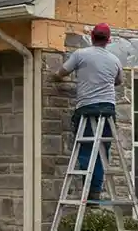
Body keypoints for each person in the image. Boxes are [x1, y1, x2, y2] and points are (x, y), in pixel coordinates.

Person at [52, 22, 123, 202]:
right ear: (109, 40)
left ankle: (88, 191)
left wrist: (53, 76)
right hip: (107, 109)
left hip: (87, 108)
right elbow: (118, 81)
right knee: (102, 150)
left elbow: (62, 72)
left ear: (92, 37)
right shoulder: (114, 60)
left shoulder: (80, 55)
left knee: (85, 149)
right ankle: (95, 191)